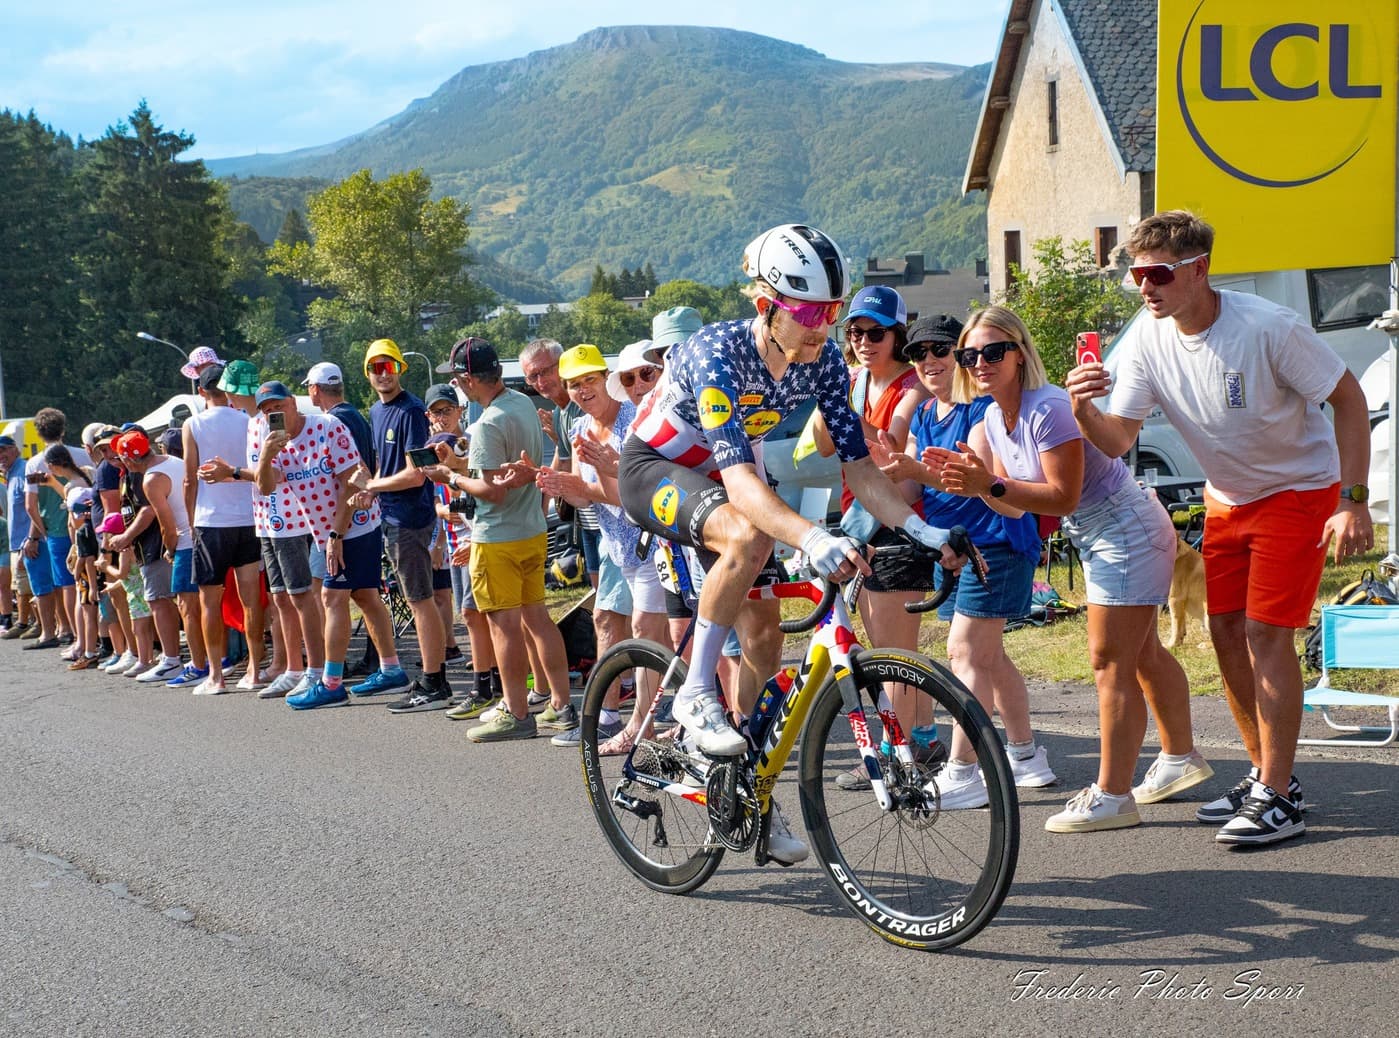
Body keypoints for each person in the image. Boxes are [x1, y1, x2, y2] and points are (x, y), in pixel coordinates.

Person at [617, 223, 963, 865]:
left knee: (766, 638)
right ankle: (693, 694)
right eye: (807, 312)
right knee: (746, 535)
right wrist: (809, 535)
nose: (822, 328)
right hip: (656, 469)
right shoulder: (717, 352)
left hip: (726, 479)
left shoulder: (825, 360)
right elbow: (742, 484)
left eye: (832, 312)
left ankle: (744, 795)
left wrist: (923, 530)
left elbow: (859, 467)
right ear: (765, 306)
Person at [1066, 209, 1373, 846]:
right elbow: (1118, 439)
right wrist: (1082, 408)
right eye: (1135, 277)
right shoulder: (1148, 339)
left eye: (1156, 274)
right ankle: (1267, 774)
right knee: (1224, 631)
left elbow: (1349, 398)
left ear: (1198, 269)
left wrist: (1352, 499)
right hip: (1227, 498)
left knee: (1264, 634)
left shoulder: (1269, 326)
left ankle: (1277, 796)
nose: (1144, 288)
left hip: (1298, 489)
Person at [934, 305, 1206, 833]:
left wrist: (987, 485)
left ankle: (1112, 795)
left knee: (1109, 662)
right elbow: (1013, 506)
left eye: (994, 351)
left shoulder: (1049, 408)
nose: (981, 363)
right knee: (1141, 654)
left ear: (1019, 353)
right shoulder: (992, 417)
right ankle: (1180, 758)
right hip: (1104, 532)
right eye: (970, 355)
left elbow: (1061, 497)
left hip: (1125, 527)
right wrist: (968, 483)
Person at [869, 314, 1053, 801]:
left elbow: (974, 481)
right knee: (990, 659)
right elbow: (906, 483)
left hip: (993, 542)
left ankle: (963, 773)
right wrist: (874, 454)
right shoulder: (929, 413)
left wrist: (908, 466)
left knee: (965, 654)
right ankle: (1027, 755)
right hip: (953, 546)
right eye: (918, 353)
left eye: (942, 351)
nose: (929, 361)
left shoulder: (981, 412)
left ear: (963, 358)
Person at [812, 286, 942, 778]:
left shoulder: (911, 385)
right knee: (892, 644)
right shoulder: (851, 380)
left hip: (898, 524)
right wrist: (831, 396)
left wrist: (850, 416)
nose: (865, 341)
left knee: (893, 656)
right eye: (856, 332)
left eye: (876, 332)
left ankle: (896, 756)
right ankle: (922, 737)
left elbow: (895, 450)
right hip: (860, 523)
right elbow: (826, 444)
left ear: (897, 335)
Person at [428, 337, 572, 741]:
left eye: (458, 379)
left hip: (497, 537)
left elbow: (491, 490)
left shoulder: (488, 422)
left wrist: (451, 477)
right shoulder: (522, 403)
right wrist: (462, 466)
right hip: (531, 529)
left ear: (470, 379)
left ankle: (517, 712)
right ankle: (561, 705)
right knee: (539, 620)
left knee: (504, 628)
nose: (458, 386)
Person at [537, 344, 671, 753]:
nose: (581, 390)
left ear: (605, 379)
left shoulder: (634, 419)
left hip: (651, 540)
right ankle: (671, 715)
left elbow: (631, 495)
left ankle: (639, 724)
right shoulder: (578, 428)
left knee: (644, 630)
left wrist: (584, 488)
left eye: (589, 380)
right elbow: (586, 498)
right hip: (617, 546)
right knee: (661, 634)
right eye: (574, 384)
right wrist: (559, 487)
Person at [301, 361, 412, 699]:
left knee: (331, 597)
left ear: (315, 390)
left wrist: (337, 532)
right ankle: (390, 667)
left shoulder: (334, 421)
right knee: (365, 595)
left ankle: (330, 682)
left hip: (349, 521)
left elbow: (352, 478)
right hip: (361, 517)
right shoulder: (356, 416)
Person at [361, 339, 452, 710]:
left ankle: (434, 682)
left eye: (390, 367)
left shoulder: (412, 410)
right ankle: (433, 677)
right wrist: (372, 491)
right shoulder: (377, 411)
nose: (383, 374)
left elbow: (417, 475)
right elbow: (388, 462)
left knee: (420, 600)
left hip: (411, 518)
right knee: (419, 599)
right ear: (367, 374)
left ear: (400, 369)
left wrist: (371, 485)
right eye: (376, 368)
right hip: (392, 515)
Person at [184, 364, 265, 693]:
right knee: (251, 600)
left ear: (201, 392)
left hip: (211, 520)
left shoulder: (193, 423)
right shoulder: (247, 421)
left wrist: (190, 521)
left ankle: (216, 676)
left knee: (209, 602)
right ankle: (255, 670)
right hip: (248, 517)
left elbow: (190, 478)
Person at [108, 429, 194, 684]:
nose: (117, 461)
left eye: (118, 456)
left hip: (166, 543)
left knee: (162, 601)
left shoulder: (149, 477)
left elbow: (155, 515)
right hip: (185, 539)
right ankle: (196, 660)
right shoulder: (171, 463)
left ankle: (172, 660)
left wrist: (166, 547)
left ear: (129, 459)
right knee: (183, 602)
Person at [23, 408, 91, 649]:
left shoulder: (34, 463)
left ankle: (76, 636)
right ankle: (91, 636)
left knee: (67, 584)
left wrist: (43, 531)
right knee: (91, 581)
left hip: (56, 531)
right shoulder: (83, 455)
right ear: (63, 429)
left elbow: (30, 506)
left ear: (39, 434)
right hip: (86, 524)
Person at [0, 435, 38, 641]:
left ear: (15, 450)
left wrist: (31, 538)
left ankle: (26, 623)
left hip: (27, 540)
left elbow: (34, 506)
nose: (1, 456)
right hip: (16, 541)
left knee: (27, 586)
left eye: (4, 450)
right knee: (21, 586)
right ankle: (29, 621)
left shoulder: (23, 470)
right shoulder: (11, 474)